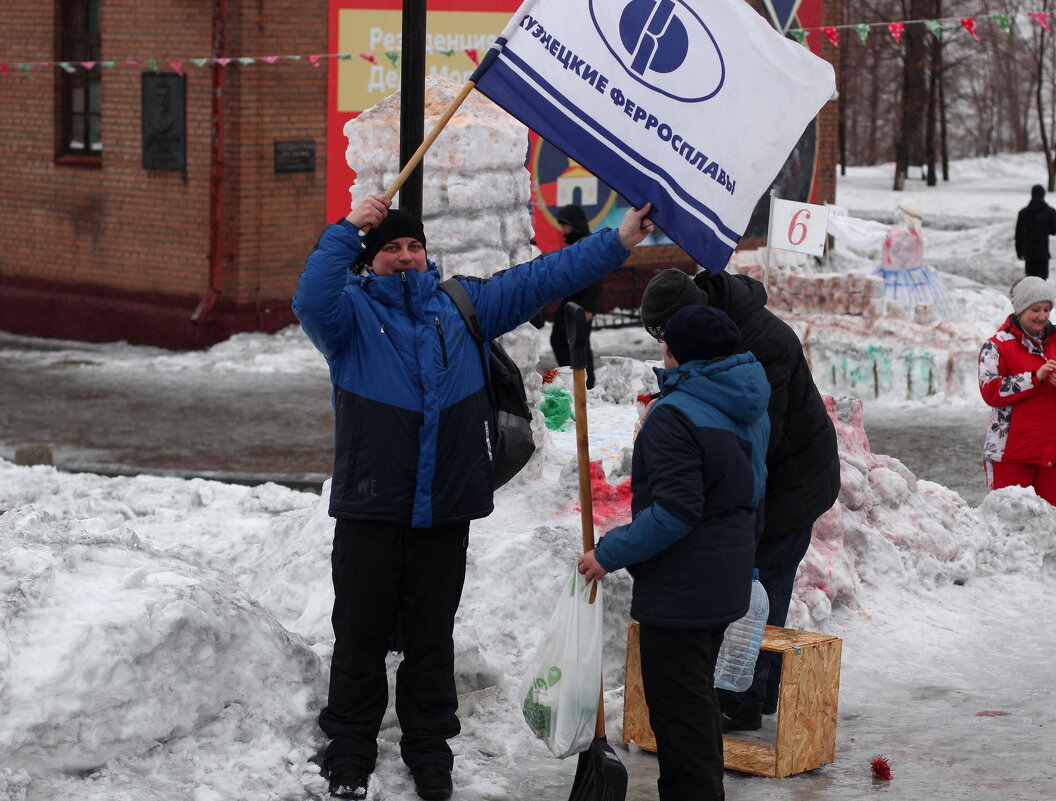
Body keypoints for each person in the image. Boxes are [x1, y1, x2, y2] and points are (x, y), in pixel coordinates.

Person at [292, 194, 654, 801]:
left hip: (444, 508)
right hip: (372, 506)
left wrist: (617, 240)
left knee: (433, 637)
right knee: (359, 633)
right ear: (371, 259)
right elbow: (309, 297)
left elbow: (544, 276)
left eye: (414, 246)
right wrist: (346, 231)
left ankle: (429, 749)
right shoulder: (347, 316)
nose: (405, 257)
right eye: (391, 249)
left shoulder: (462, 306)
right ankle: (350, 747)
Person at [576, 304, 770, 801]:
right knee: (696, 699)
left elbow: (675, 512)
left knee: (679, 716)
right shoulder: (746, 401)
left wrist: (608, 552)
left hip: (684, 589)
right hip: (724, 575)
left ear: (673, 351)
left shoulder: (675, 414)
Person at [637, 267, 841, 732]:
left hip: (791, 481)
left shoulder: (762, 342)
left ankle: (742, 700)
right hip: (761, 477)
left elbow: (751, 442)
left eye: (667, 335)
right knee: (753, 585)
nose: (666, 347)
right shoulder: (709, 331)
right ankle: (757, 691)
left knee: (759, 588)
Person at [979, 276, 1056, 510]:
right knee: (1008, 529)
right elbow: (990, 391)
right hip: (1011, 455)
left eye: (1047, 309)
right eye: (1035, 309)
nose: (1042, 316)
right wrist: (1034, 378)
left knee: (1049, 530)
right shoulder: (996, 345)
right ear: (1020, 310)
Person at [548, 204, 601, 389]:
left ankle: (586, 382)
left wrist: (588, 307)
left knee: (579, 342)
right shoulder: (576, 242)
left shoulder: (588, 243)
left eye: (564, 224)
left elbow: (596, 276)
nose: (562, 229)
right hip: (570, 300)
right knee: (559, 339)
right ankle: (572, 377)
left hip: (581, 304)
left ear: (574, 224)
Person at [1015, 185, 1056, 280]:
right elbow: (1055, 230)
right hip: (1042, 253)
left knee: (1030, 280)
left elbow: (1018, 235)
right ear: (1043, 195)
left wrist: (1019, 251)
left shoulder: (1023, 213)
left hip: (1029, 253)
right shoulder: (1050, 212)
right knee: (1042, 281)